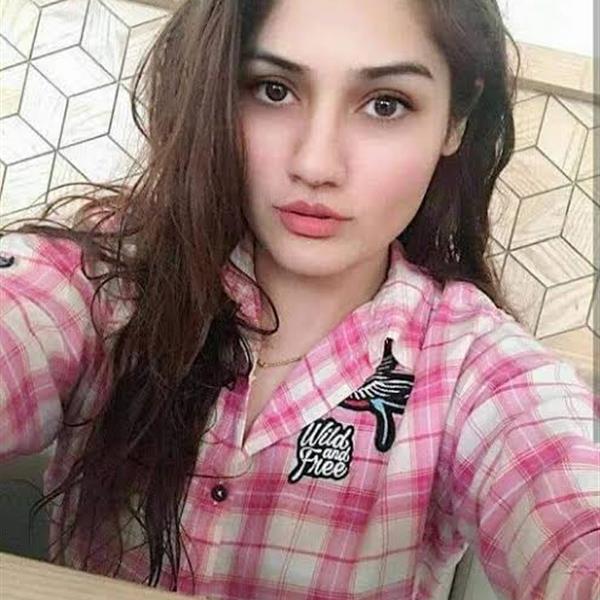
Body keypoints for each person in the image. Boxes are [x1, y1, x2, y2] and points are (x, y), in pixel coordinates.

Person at [0, 0, 598, 598]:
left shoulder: (473, 367)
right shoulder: (104, 281)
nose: (315, 164)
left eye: (385, 104)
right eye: (274, 90)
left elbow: (568, 497)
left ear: (454, 122)